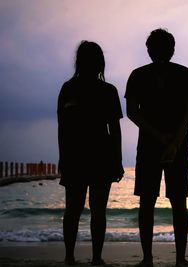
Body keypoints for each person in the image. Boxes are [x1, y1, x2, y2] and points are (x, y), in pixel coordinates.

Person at [125, 29, 188, 267]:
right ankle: (180, 259)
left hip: (149, 144)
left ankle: (147, 259)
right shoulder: (185, 74)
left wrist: (159, 137)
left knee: (147, 202)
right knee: (178, 202)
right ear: (172, 49)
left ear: (148, 50)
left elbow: (132, 113)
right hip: (177, 145)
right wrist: (175, 141)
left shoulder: (137, 75)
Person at [57, 41, 124, 265]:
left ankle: (69, 256)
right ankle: (96, 257)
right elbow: (114, 130)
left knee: (73, 210)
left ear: (78, 61)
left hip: (75, 155)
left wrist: (62, 157)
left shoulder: (69, 88)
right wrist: (119, 160)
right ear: (100, 63)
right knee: (97, 211)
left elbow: (63, 128)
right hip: (101, 156)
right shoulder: (108, 90)